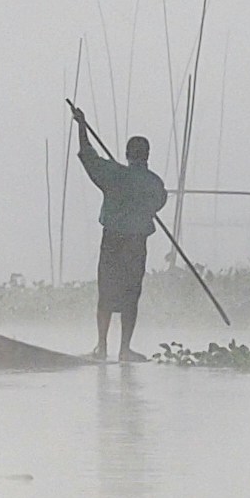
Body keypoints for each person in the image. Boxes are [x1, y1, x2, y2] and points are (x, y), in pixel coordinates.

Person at [75, 128, 167, 361]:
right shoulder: (154, 182)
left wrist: (81, 127)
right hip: (136, 244)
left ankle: (102, 347)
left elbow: (89, 156)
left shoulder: (115, 175)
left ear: (127, 154)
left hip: (114, 242)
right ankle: (124, 349)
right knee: (131, 294)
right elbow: (158, 203)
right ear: (147, 155)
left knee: (106, 292)